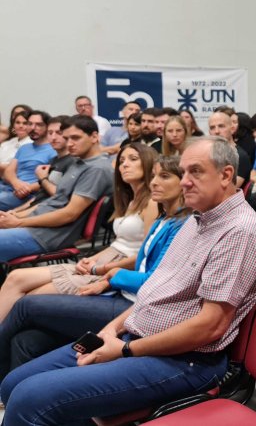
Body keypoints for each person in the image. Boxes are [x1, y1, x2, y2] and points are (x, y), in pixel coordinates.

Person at [0, 136, 256, 424]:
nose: (185, 182)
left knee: (29, 399)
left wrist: (126, 350)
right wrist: (110, 331)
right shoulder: (197, 220)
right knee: (11, 385)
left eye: (196, 171)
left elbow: (211, 326)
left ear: (226, 175)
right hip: (136, 337)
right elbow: (156, 289)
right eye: (183, 173)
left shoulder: (239, 231)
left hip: (184, 360)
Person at [0, 154, 190, 376]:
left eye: (164, 176)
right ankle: (8, 388)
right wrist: (106, 280)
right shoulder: (164, 218)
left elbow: (154, 280)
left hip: (135, 305)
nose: (154, 182)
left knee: (26, 304)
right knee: (26, 338)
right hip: (122, 292)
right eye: (155, 175)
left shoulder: (181, 224)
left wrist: (111, 274)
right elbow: (142, 264)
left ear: (185, 181)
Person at [0, 142, 158, 320]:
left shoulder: (151, 203)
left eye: (133, 159)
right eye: (121, 161)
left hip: (119, 268)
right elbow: (119, 243)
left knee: (28, 298)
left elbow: (146, 255)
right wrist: (91, 258)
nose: (124, 164)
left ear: (148, 163)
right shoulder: (128, 200)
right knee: (15, 277)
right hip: (104, 260)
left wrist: (101, 268)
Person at [0, 116, 113, 262]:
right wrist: (14, 216)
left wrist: (18, 222)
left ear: (94, 137)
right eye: (67, 138)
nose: (70, 144)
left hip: (46, 235)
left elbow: (69, 214)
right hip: (34, 226)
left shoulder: (97, 169)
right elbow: (53, 200)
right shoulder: (77, 162)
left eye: (75, 138)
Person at [0, 111, 56, 211]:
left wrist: (26, 188)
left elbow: (51, 180)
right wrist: (15, 183)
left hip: (29, 194)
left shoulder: (53, 150)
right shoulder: (24, 148)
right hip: (11, 187)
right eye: (30, 124)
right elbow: (9, 171)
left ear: (47, 127)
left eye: (38, 124)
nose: (33, 128)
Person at [206, 110, 251, 188]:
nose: (216, 131)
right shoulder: (208, 154)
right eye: (212, 128)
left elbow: (231, 188)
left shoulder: (241, 156)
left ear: (232, 129)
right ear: (209, 132)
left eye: (221, 126)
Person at [0, 112, 32, 177]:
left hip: (16, 181)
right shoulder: (8, 142)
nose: (21, 126)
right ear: (13, 125)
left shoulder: (31, 143)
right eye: (18, 123)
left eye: (25, 123)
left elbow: (19, 167)